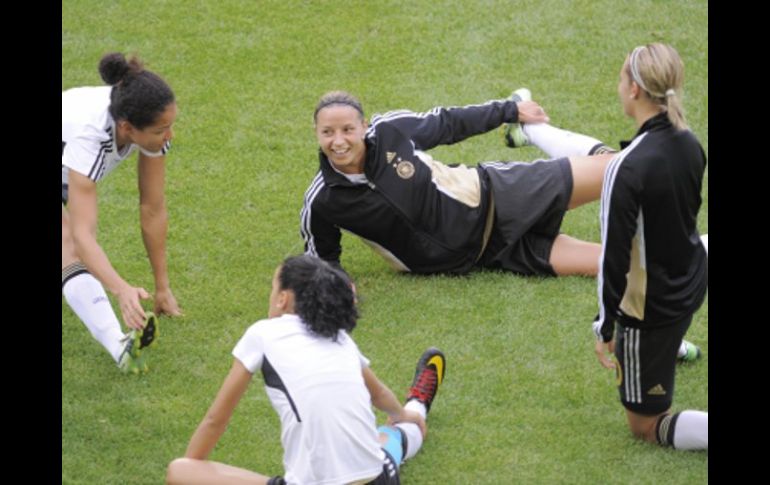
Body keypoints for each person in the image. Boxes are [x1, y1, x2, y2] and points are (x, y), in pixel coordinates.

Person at [166, 254, 446, 484]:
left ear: (283, 299)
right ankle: (417, 407)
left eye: (273, 287)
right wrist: (403, 414)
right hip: (380, 480)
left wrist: (194, 469)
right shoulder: (340, 338)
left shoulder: (262, 334)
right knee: (388, 439)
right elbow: (379, 394)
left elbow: (216, 419)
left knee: (180, 470)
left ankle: (415, 412)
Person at [301, 89, 617, 279]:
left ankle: (532, 132)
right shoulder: (323, 200)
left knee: (619, 169)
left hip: (496, 195)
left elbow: (447, 123)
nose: (338, 141)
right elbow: (323, 258)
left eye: (347, 129)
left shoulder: (389, 131)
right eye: (328, 132)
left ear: (363, 126)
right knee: (615, 264)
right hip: (484, 256)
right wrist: (339, 283)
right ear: (316, 132)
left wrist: (509, 110)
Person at [591, 43, 708, 450]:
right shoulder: (691, 144)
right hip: (692, 283)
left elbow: (614, 258)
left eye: (622, 77)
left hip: (652, 312)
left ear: (636, 89)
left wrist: (605, 326)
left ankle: (664, 348)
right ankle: (672, 347)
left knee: (643, 426)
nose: (619, 85)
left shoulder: (626, 169)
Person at [62, 52, 181, 373]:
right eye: (161, 130)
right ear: (127, 128)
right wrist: (121, 289)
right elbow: (83, 236)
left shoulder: (146, 122)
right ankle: (118, 345)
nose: (169, 136)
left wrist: (162, 286)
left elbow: (152, 207)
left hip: (65, 164)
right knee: (67, 246)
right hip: (69, 159)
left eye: (170, 126)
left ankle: (120, 347)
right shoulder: (90, 137)